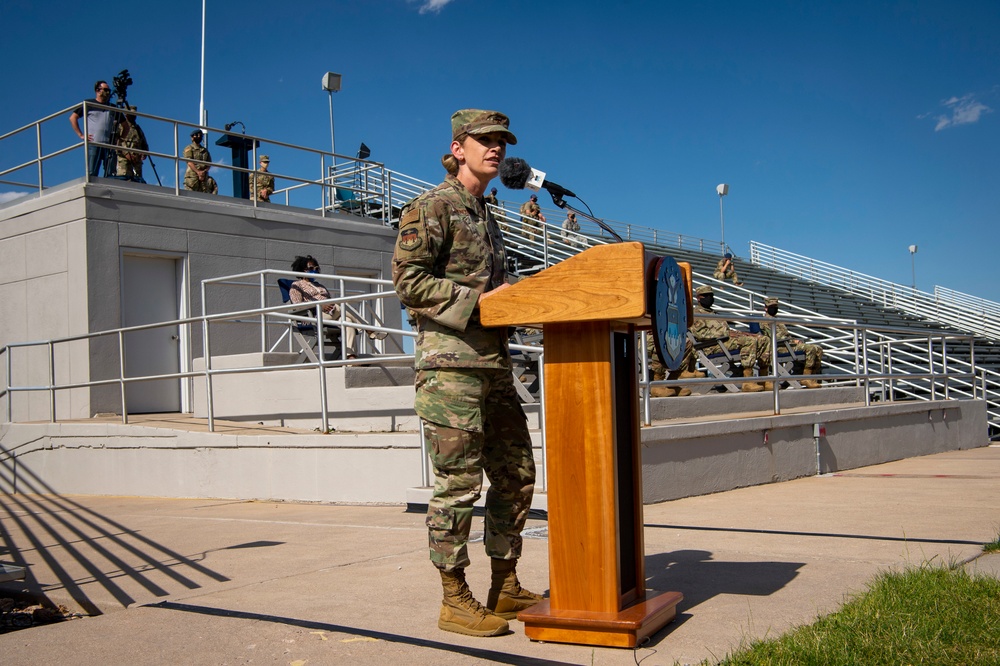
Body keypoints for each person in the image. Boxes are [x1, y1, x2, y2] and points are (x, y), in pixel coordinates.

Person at [392, 109, 541, 638]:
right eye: (486, 140)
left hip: (494, 366)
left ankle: (505, 584)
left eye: (502, 141)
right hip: (451, 365)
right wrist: (479, 303)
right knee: (458, 485)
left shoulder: (486, 212)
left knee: (517, 473)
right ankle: (454, 597)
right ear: (458, 147)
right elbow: (409, 282)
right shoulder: (433, 206)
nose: (497, 148)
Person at [288, 255, 385, 358]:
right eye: (311, 268)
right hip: (314, 316)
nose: (315, 271)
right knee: (342, 304)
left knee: (348, 321)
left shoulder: (320, 286)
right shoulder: (296, 285)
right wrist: (319, 305)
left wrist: (328, 304)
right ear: (303, 270)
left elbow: (330, 300)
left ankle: (350, 357)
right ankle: (368, 328)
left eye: (317, 268)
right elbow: (297, 305)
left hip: (331, 313)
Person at [685, 285, 772, 392]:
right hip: (712, 346)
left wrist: (743, 333)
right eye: (706, 295)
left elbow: (727, 331)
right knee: (750, 341)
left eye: (711, 295)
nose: (709, 298)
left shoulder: (713, 313)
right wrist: (726, 333)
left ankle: (764, 379)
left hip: (726, 342)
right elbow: (701, 335)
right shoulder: (696, 314)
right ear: (698, 298)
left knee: (764, 339)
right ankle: (748, 381)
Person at [762, 297, 823, 388]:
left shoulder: (777, 319)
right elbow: (775, 336)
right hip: (779, 347)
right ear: (766, 308)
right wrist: (792, 341)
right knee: (811, 349)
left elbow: (786, 335)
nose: (774, 308)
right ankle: (806, 378)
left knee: (818, 349)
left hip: (788, 344)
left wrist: (793, 340)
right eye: (772, 306)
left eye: (775, 306)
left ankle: (811, 377)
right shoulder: (765, 321)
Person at [69, 80, 116, 178]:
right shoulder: (89, 103)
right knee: (92, 172)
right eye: (105, 90)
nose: (107, 92)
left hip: (109, 144)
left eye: (109, 90)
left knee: (111, 173)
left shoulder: (112, 107)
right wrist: (81, 135)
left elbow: (125, 125)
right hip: (94, 143)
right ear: (98, 90)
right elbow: (73, 118)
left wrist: (118, 140)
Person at [116, 106, 149, 183]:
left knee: (138, 182)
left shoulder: (137, 128)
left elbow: (144, 142)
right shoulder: (121, 126)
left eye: (134, 114)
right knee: (124, 181)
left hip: (136, 161)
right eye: (131, 114)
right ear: (126, 114)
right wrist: (126, 153)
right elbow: (117, 142)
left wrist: (145, 153)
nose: (134, 116)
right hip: (124, 160)